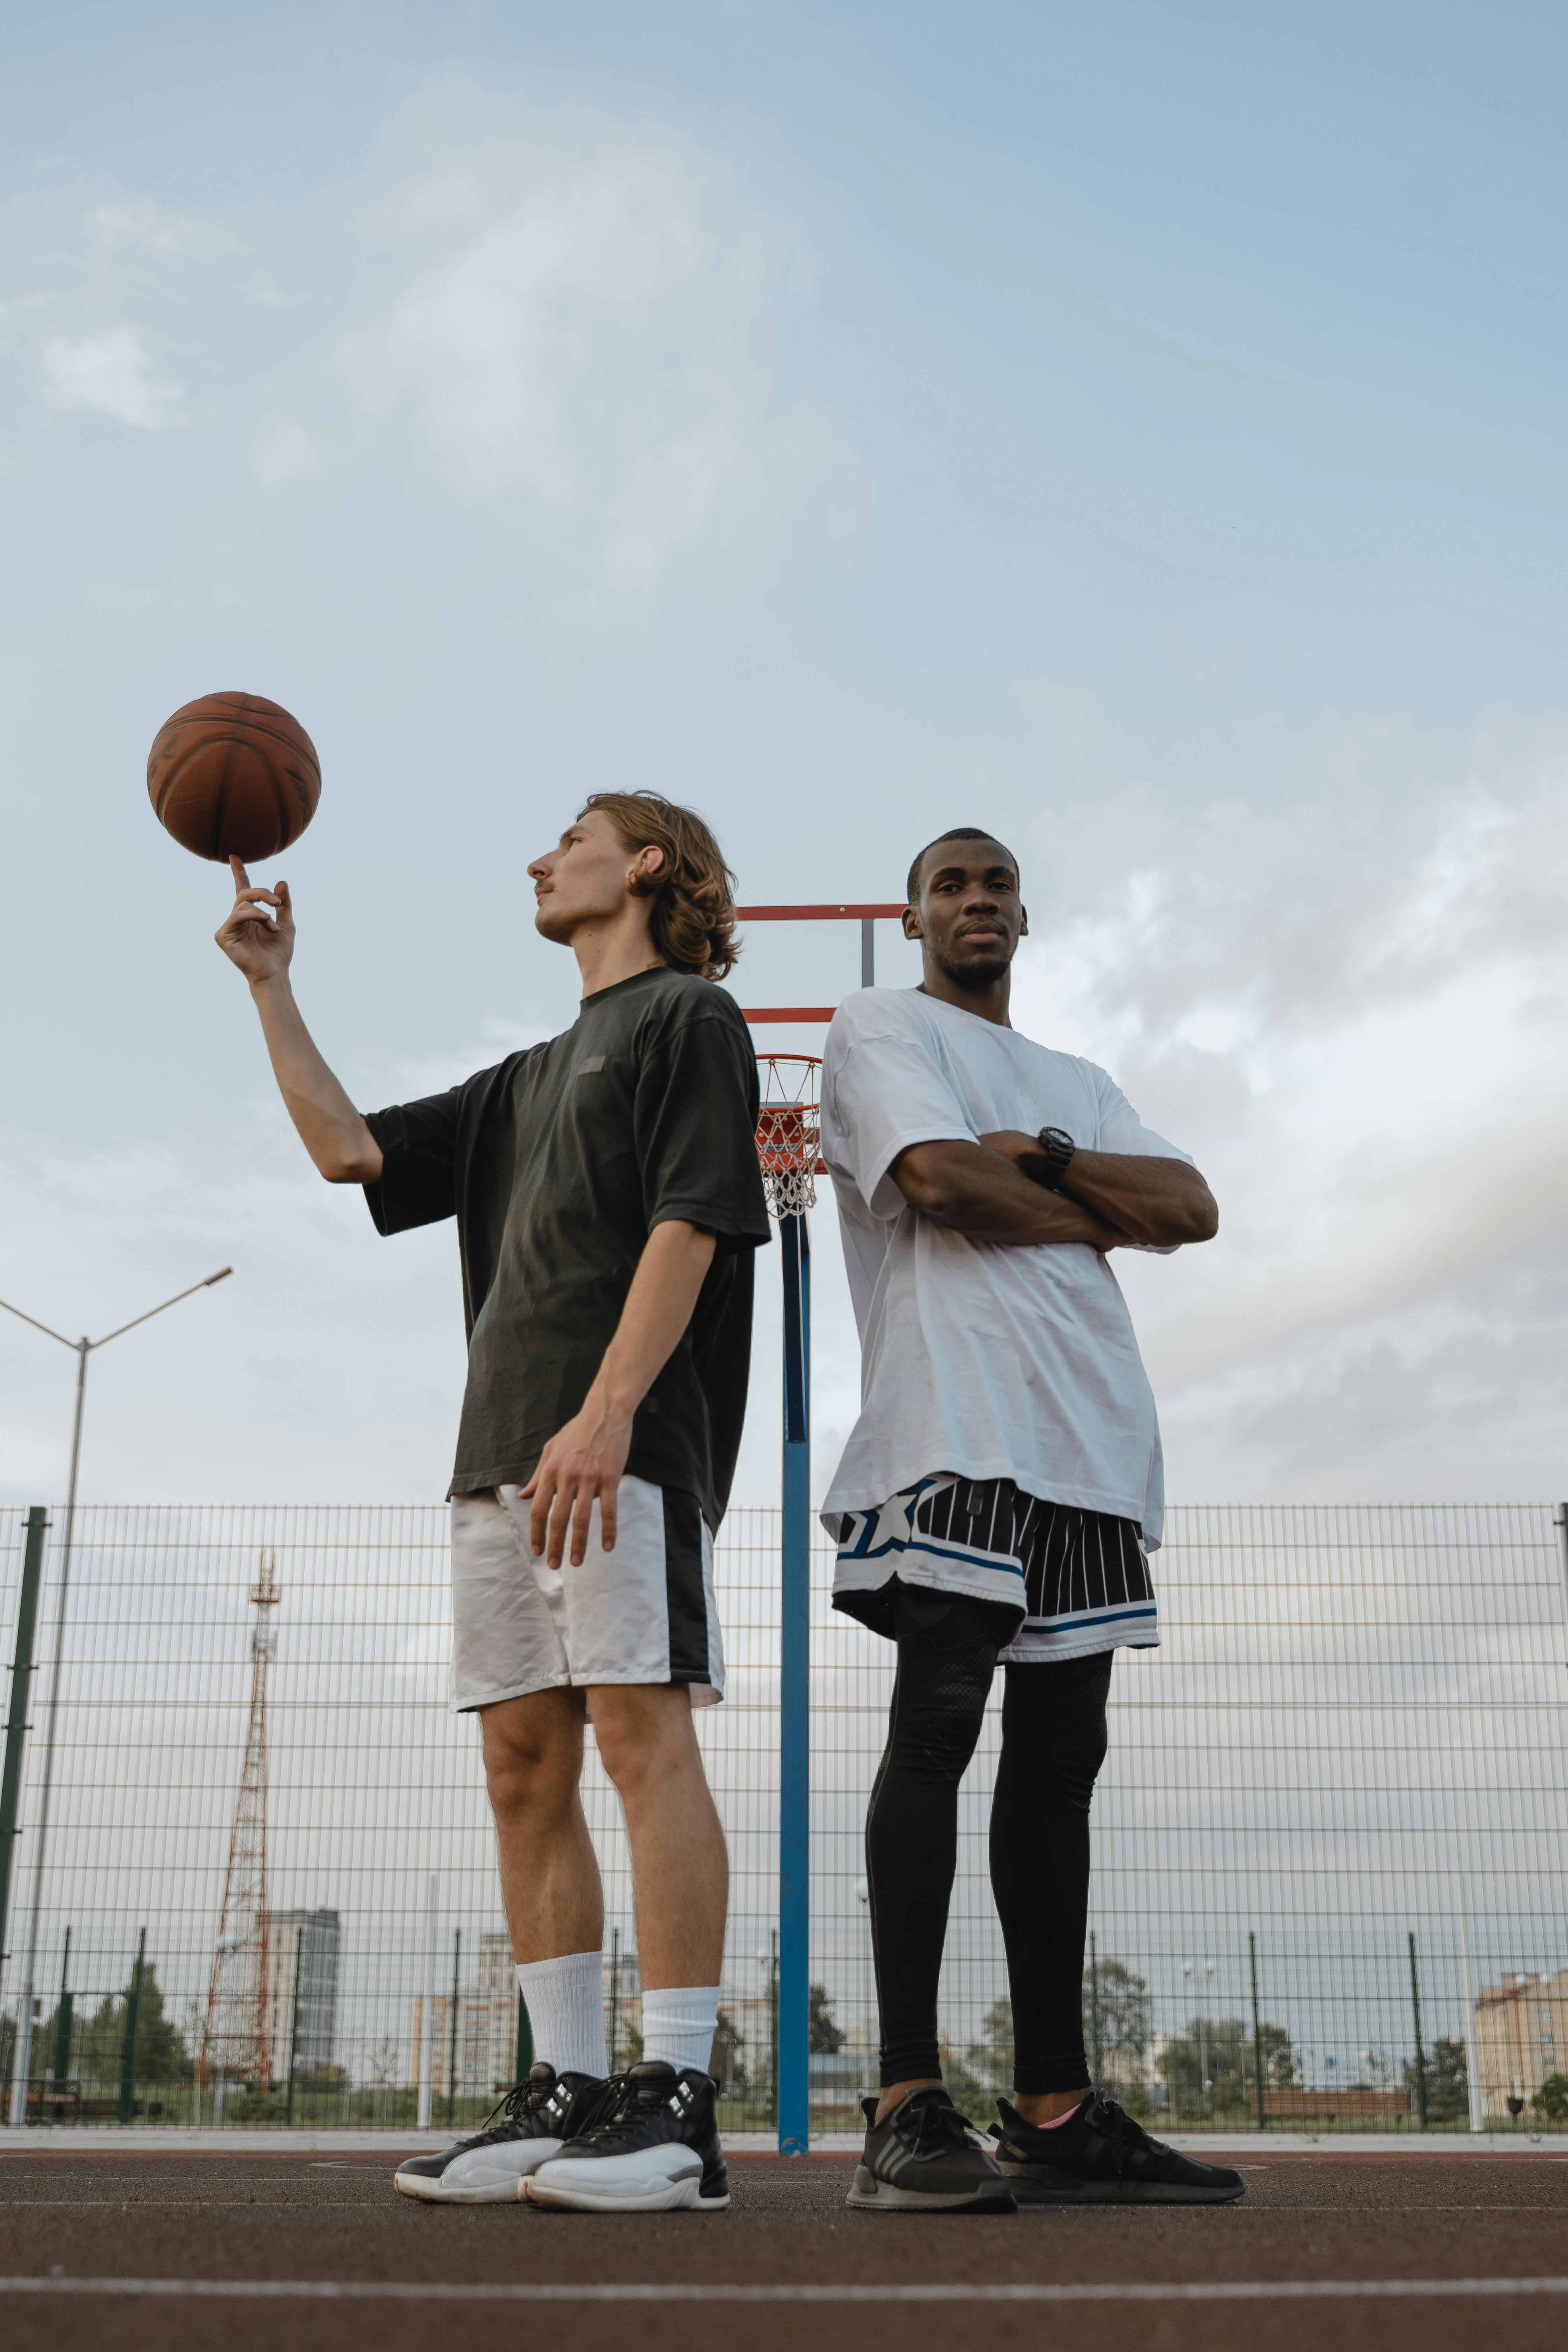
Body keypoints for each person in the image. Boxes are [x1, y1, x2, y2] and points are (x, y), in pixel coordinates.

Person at [215, 792, 769, 2213]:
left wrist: (609, 1408)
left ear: (644, 864)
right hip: (496, 1453)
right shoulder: (521, 1077)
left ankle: (678, 2104)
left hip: (622, 1442)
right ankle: (569, 2091)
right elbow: (348, 1151)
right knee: (523, 1767)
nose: (539, 856)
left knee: (642, 1740)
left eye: (571, 836)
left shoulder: (688, 1021)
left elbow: (694, 1215)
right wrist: (275, 989)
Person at [818, 826, 1244, 2212]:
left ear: (1025, 913)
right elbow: (939, 1186)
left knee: (1061, 1761)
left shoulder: (1078, 1084)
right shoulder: (881, 1026)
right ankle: (902, 2099)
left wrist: (1049, 1166)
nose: (977, 900)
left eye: (997, 882)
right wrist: (1087, 1207)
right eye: (951, 883)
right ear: (913, 915)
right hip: (958, 1419)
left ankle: (1053, 2107)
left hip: (1090, 1440)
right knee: (937, 1722)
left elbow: (1190, 1206)